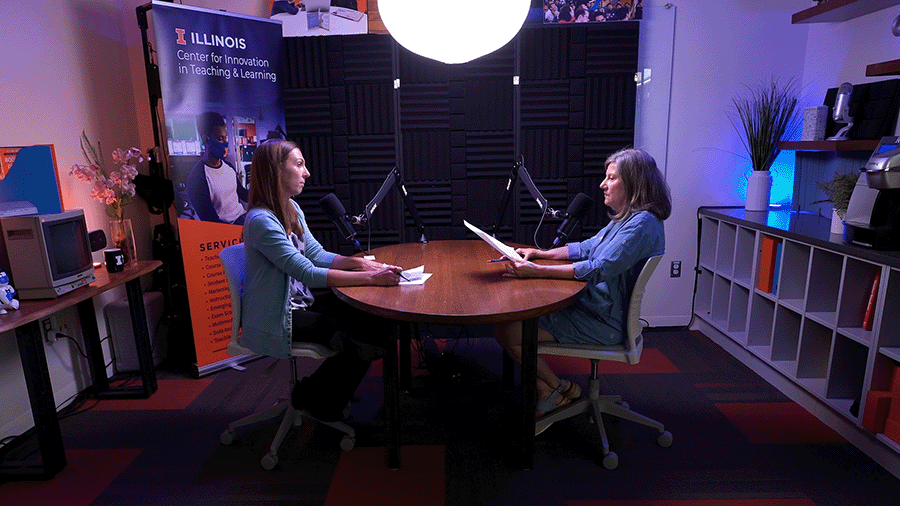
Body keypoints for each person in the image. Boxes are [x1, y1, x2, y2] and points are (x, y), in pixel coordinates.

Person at [494, 148, 671, 422]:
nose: (603, 184)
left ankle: (551, 390)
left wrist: (536, 271)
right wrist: (541, 254)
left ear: (634, 184)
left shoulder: (642, 225)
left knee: (509, 332)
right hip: (594, 308)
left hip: (605, 323)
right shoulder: (631, 218)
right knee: (512, 324)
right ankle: (558, 387)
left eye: (611, 178)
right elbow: (588, 247)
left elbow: (598, 269)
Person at [241, 138, 404, 422]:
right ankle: (315, 399)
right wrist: (371, 278)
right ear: (276, 171)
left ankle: (324, 393)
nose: (307, 173)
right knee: (356, 335)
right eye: (299, 164)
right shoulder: (261, 221)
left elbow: (315, 253)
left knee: (371, 319)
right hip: (277, 316)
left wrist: (360, 263)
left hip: (301, 303)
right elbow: (307, 272)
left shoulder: (291, 208)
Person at [186, 111, 249, 224]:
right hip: (227, 230)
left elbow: (241, 193)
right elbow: (210, 221)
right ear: (206, 139)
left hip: (243, 217)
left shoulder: (228, 166)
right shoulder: (197, 178)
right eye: (220, 139)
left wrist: (264, 196)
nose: (225, 144)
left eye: (225, 138)